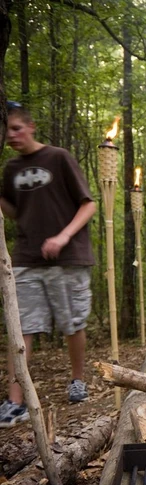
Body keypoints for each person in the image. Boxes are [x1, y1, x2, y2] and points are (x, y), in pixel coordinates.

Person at [0, 103, 96, 427]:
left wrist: (63, 237)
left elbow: (89, 204)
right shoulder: (11, 169)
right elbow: (15, 212)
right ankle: (16, 402)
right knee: (21, 328)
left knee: (71, 323)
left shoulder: (58, 157)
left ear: (31, 127)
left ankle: (77, 381)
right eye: (6, 130)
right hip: (26, 258)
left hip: (67, 258)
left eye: (16, 128)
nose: (11, 135)